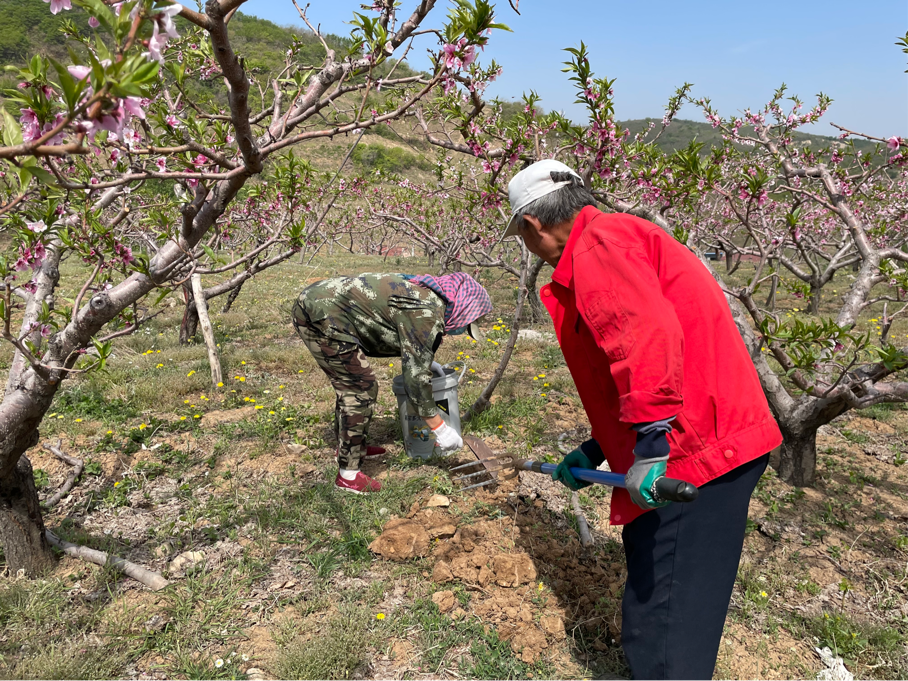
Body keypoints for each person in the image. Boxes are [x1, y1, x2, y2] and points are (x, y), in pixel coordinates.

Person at [504, 160, 782, 680]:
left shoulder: (597, 248)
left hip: (693, 454)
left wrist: (653, 448)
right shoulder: (617, 237)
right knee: (669, 600)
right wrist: (597, 448)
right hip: (703, 435)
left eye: (522, 235)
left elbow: (646, 338)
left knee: (663, 623)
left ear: (533, 225)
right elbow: (633, 364)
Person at [291, 272, 492, 494]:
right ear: (463, 309)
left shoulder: (429, 297)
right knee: (359, 387)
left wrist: (427, 362)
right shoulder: (426, 312)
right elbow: (414, 381)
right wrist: (441, 429)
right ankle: (348, 476)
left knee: (352, 384)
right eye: (466, 325)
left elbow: (402, 333)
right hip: (321, 312)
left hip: (323, 304)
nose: (460, 330)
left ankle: (351, 448)